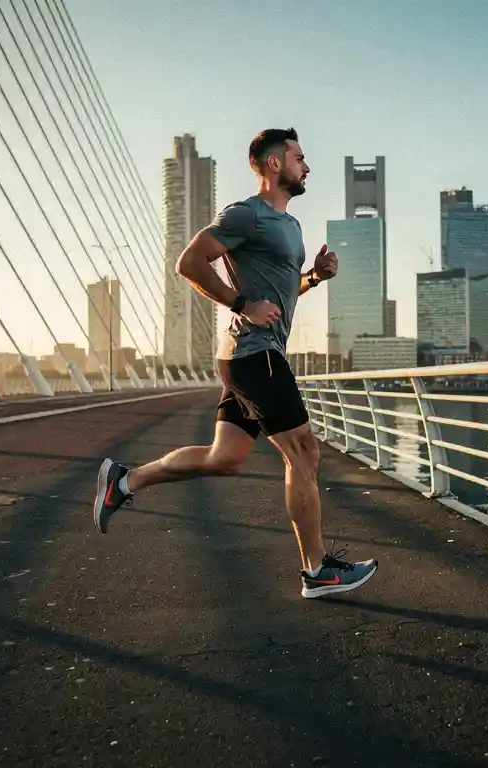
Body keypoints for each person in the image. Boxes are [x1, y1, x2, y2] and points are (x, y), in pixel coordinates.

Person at [91, 128, 377, 599]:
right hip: (254, 354)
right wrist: (242, 303)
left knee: (224, 458)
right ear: (273, 165)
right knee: (303, 454)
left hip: (252, 354)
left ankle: (124, 481)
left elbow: (280, 296)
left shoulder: (291, 226)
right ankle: (317, 570)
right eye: (299, 157)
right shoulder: (248, 214)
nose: (308, 166)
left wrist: (313, 278)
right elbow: (190, 263)